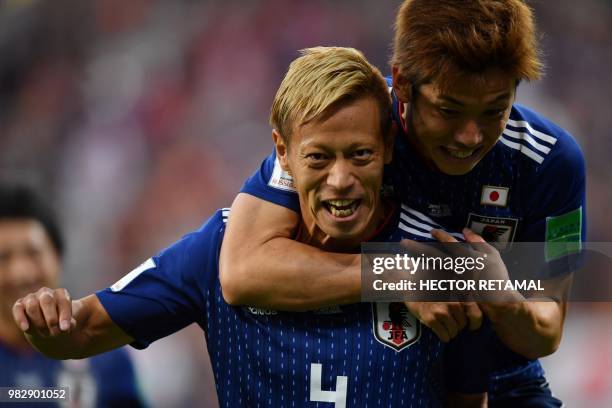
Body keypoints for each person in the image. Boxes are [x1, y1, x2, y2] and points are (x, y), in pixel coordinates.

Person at [13, 47, 491, 407]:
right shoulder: (217, 250)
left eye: (360, 155)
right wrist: (46, 320)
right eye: (319, 158)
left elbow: (476, 393)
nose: (341, 181)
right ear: (282, 152)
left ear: (388, 145)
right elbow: (78, 333)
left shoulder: (437, 256)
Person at [219, 1, 585, 406]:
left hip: (504, 384)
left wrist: (502, 298)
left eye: (494, 111)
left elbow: (547, 331)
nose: (470, 136)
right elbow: (243, 270)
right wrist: (396, 273)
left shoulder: (550, 162)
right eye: (449, 110)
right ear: (403, 83)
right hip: (374, 374)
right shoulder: (351, 128)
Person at [0, 184, 144, 407]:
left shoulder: (105, 357)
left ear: (58, 257)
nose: (20, 273)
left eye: (33, 253)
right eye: (3, 257)